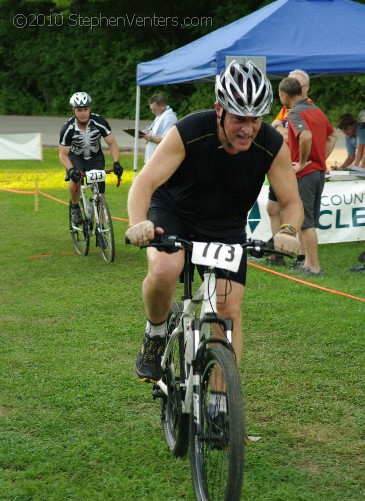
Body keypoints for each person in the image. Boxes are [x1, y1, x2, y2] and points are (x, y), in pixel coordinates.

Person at [126, 60, 304, 383]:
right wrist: (138, 222)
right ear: (219, 109)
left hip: (225, 226)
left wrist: (289, 229)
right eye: (239, 118)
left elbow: (291, 202)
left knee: (228, 311)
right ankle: (154, 332)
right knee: (166, 268)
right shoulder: (190, 131)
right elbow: (144, 183)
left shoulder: (270, 144)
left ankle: (222, 406)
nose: (248, 128)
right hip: (174, 211)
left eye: (255, 118)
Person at [278, 77, 337, 276]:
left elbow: (306, 136)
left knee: (307, 222)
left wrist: (303, 162)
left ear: (284, 95)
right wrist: (321, 158)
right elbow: (333, 136)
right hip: (318, 172)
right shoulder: (316, 110)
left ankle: (313, 267)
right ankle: (307, 264)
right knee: (308, 221)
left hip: (305, 173)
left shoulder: (294, 113)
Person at [268, 69, 312, 267]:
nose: (291, 86)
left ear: (305, 88)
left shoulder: (306, 108)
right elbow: (274, 126)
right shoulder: (286, 109)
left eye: (296, 84)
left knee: (295, 209)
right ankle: (277, 252)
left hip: (293, 165)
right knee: (272, 208)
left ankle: (300, 256)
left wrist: (281, 131)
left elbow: (300, 136)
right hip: (280, 162)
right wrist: (281, 130)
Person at [59, 92, 123, 225]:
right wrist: (71, 169)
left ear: (90, 109)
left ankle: (99, 225)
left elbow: (112, 144)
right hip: (75, 156)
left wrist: (116, 162)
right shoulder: (68, 128)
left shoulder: (99, 122)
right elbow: (63, 154)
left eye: (85, 109)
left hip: (95, 156)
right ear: (74, 111)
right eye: (79, 110)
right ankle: (75, 207)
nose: (83, 113)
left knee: (100, 191)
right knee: (75, 179)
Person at [143, 94, 178, 163]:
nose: (153, 112)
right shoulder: (161, 114)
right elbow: (156, 133)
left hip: (160, 160)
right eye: (151, 109)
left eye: (155, 109)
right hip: (153, 157)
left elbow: (166, 140)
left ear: (163, 106)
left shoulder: (169, 117)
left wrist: (149, 138)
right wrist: (147, 133)